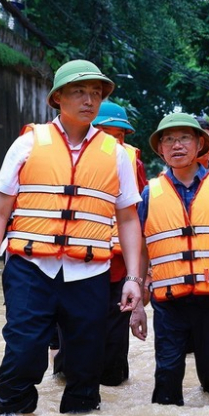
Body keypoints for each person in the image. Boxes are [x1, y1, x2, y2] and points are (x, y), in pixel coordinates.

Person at [0, 60, 143, 415]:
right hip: (30, 268)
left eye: (96, 93)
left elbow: (127, 219)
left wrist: (132, 277)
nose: (89, 100)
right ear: (58, 98)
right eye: (79, 91)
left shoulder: (116, 155)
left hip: (89, 273)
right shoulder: (28, 144)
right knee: (22, 352)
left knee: (85, 364)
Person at [130, 113, 209, 406]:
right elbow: (142, 248)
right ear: (160, 148)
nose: (176, 145)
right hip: (170, 301)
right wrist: (137, 304)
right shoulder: (150, 193)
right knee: (167, 375)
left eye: (184, 137)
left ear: (200, 144)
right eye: (168, 139)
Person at [51, 101, 149, 385]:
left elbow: (138, 219)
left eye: (119, 135)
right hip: (78, 260)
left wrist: (142, 276)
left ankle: (112, 382)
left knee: (114, 336)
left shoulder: (130, 162)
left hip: (117, 265)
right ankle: (66, 375)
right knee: (73, 328)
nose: (113, 140)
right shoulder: (69, 159)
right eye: (106, 132)